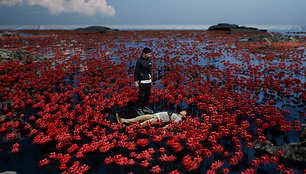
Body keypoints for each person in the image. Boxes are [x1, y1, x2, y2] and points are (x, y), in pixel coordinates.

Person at [134, 47, 154, 115]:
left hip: (148, 80)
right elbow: (136, 71)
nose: (149, 55)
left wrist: (151, 80)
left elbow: (150, 71)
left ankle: (145, 107)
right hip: (142, 81)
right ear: (144, 54)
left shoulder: (149, 61)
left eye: (150, 54)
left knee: (147, 95)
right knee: (141, 95)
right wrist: (136, 81)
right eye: (148, 54)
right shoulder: (139, 61)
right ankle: (139, 109)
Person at [116, 111, 187, 127]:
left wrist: (164, 128)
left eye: (184, 112)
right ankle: (123, 120)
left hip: (158, 119)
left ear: (184, 116)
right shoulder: (176, 114)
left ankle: (128, 128)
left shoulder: (179, 119)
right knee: (138, 118)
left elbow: (171, 125)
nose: (183, 111)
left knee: (143, 123)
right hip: (155, 115)